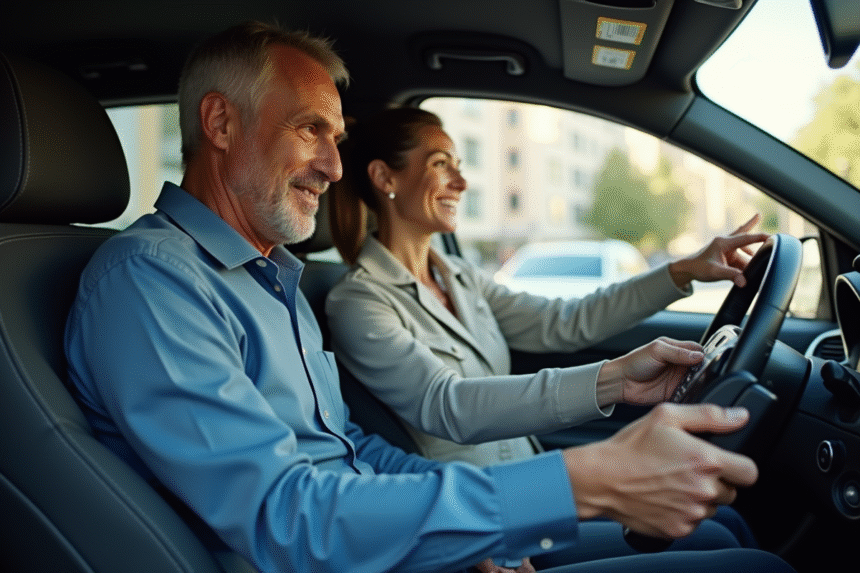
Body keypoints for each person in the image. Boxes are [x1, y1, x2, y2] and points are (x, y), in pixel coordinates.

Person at [64, 21, 793, 573]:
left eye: (339, 136)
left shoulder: (273, 279)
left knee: (727, 537)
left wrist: (476, 528)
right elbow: (281, 517)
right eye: (309, 128)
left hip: (383, 541)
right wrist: (571, 484)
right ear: (220, 124)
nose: (332, 163)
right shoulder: (150, 281)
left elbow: (351, 451)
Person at [325, 107, 767, 570]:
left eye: (458, 163)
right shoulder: (359, 302)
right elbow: (447, 404)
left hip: (532, 488)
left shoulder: (459, 276)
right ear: (384, 177)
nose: (461, 181)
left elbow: (566, 319)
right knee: (744, 556)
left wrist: (682, 269)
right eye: (440, 164)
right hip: (486, 520)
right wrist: (612, 379)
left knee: (726, 526)